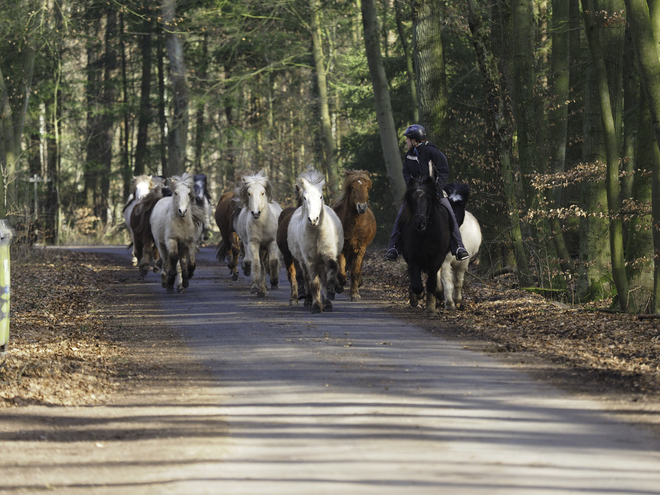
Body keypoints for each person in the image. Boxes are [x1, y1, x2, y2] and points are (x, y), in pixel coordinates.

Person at [385, 124, 470, 262]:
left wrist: (436, 188)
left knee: (450, 214)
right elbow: (406, 172)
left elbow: (443, 171)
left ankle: (459, 247)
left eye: (408, 139)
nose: (406, 142)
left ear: (415, 140)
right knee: (401, 216)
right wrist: (412, 187)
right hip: (416, 194)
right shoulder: (409, 155)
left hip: (434, 192)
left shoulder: (433, 153)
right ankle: (394, 247)